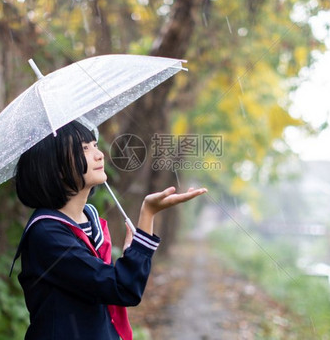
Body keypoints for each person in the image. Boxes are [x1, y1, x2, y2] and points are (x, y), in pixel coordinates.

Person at [10, 120, 207, 340]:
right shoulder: (47, 234)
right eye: (84, 149)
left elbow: (108, 287)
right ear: (56, 168)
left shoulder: (90, 221)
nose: (99, 154)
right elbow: (123, 288)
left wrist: (133, 252)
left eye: (94, 145)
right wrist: (147, 214)